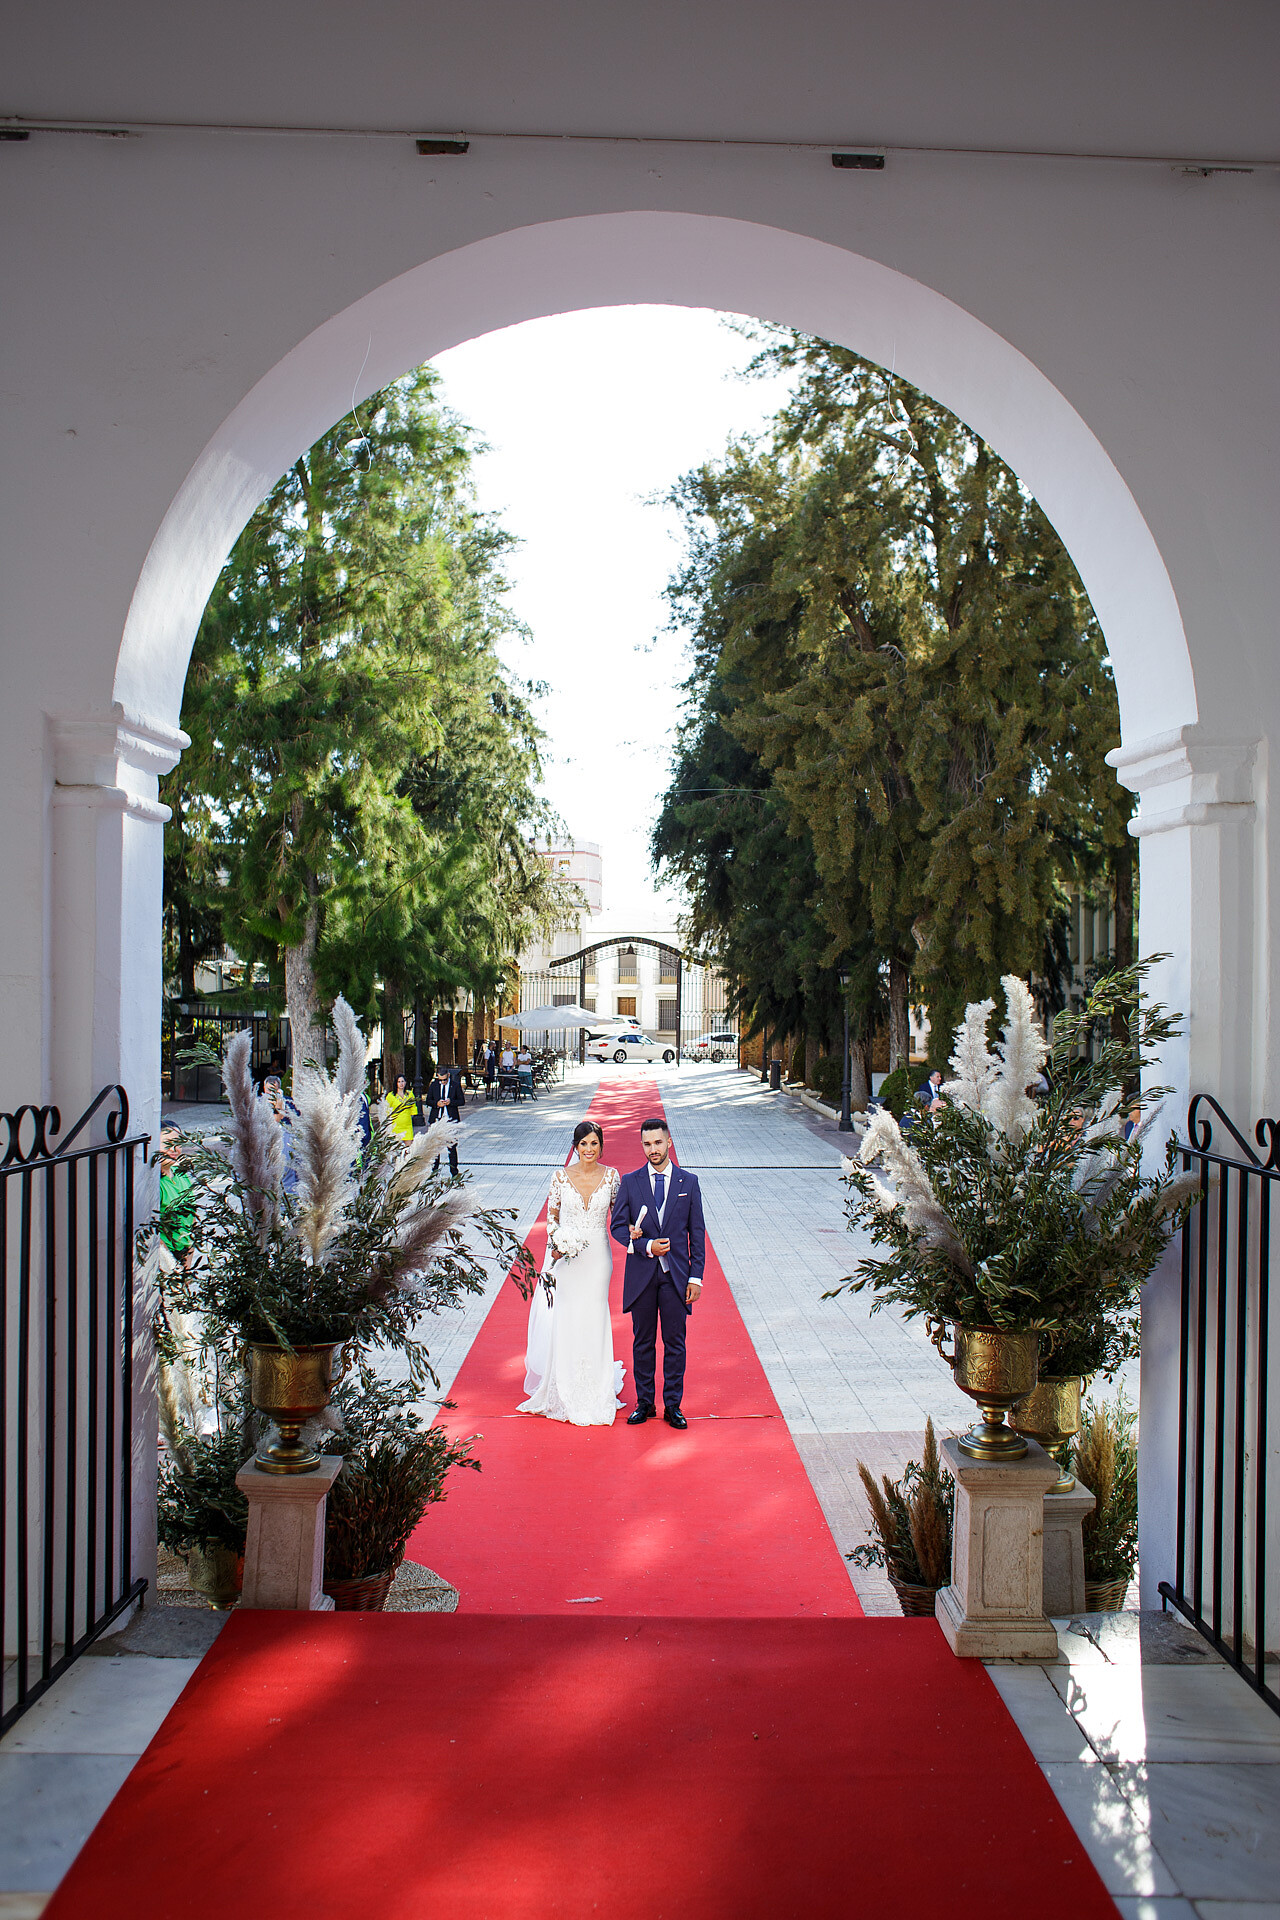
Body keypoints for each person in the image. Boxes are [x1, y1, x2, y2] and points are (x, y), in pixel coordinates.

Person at [519, 1121, 624, 1426]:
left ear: (601, 1146)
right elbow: (551, 1217)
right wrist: (559, 1240)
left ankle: (596, 1387)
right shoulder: (560, 1178)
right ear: (575, 1146)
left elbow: (617, 1217)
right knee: (567, 1316)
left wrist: (634, 1232)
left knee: (594, 1315)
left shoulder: (612, 1177)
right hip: (567, 1258)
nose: (589, 1150)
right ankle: (561, 1387)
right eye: (583, 1144)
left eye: (594, 1143)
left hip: (598, 1259)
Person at [609, 1116, 706, 1430]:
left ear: (669, 1143)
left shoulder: (688, 1183)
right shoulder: (631, 1181)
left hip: (677, 1277)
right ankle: (645, 1402)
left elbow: (697, 1232)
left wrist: (696, 1277)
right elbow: (617, 1227)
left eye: (658, 1142)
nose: (653, 1149)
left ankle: (673, 1406)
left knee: (675, 1343)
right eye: (647, 1144)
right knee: (643, 1342)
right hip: (643, 1277)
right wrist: (647, 1246)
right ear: (642, 1145)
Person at [157, 1127, 196, 1269]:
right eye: (167, 1143)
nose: (174, 1149)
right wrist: (173, 1269)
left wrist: (188, 1262)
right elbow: (151, 1232)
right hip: (164, 1261)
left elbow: (191, 1218)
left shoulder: (180, 1174)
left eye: (178, 1143)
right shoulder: (154, 1183)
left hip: (184, 1255)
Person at [425, 1058, 465, 1175]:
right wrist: (436, 1103)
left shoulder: (455, 1085)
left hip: (450, 1119)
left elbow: (461, 1101)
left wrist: (451, 1102)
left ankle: (454, 1172)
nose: (442, 1082)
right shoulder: (434, 1086)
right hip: (437, 1119)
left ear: (448, 1075)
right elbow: (428, 1101)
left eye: (444, 1080)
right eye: (440, 1080)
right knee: (435, 1147)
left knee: (451, 1147)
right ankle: (434, 1171)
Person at [386, 1073, 417, 1144]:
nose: (401, 1084)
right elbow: (387, 1109)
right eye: (399, 1082)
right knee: (396, 1148)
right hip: (396, 1125)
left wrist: (412, 1115)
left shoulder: (409, 1094)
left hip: (407, 1125)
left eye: (402, 1081)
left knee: (408, 1149)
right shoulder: (391, 1096)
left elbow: (413, 1106)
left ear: (405, 1082)